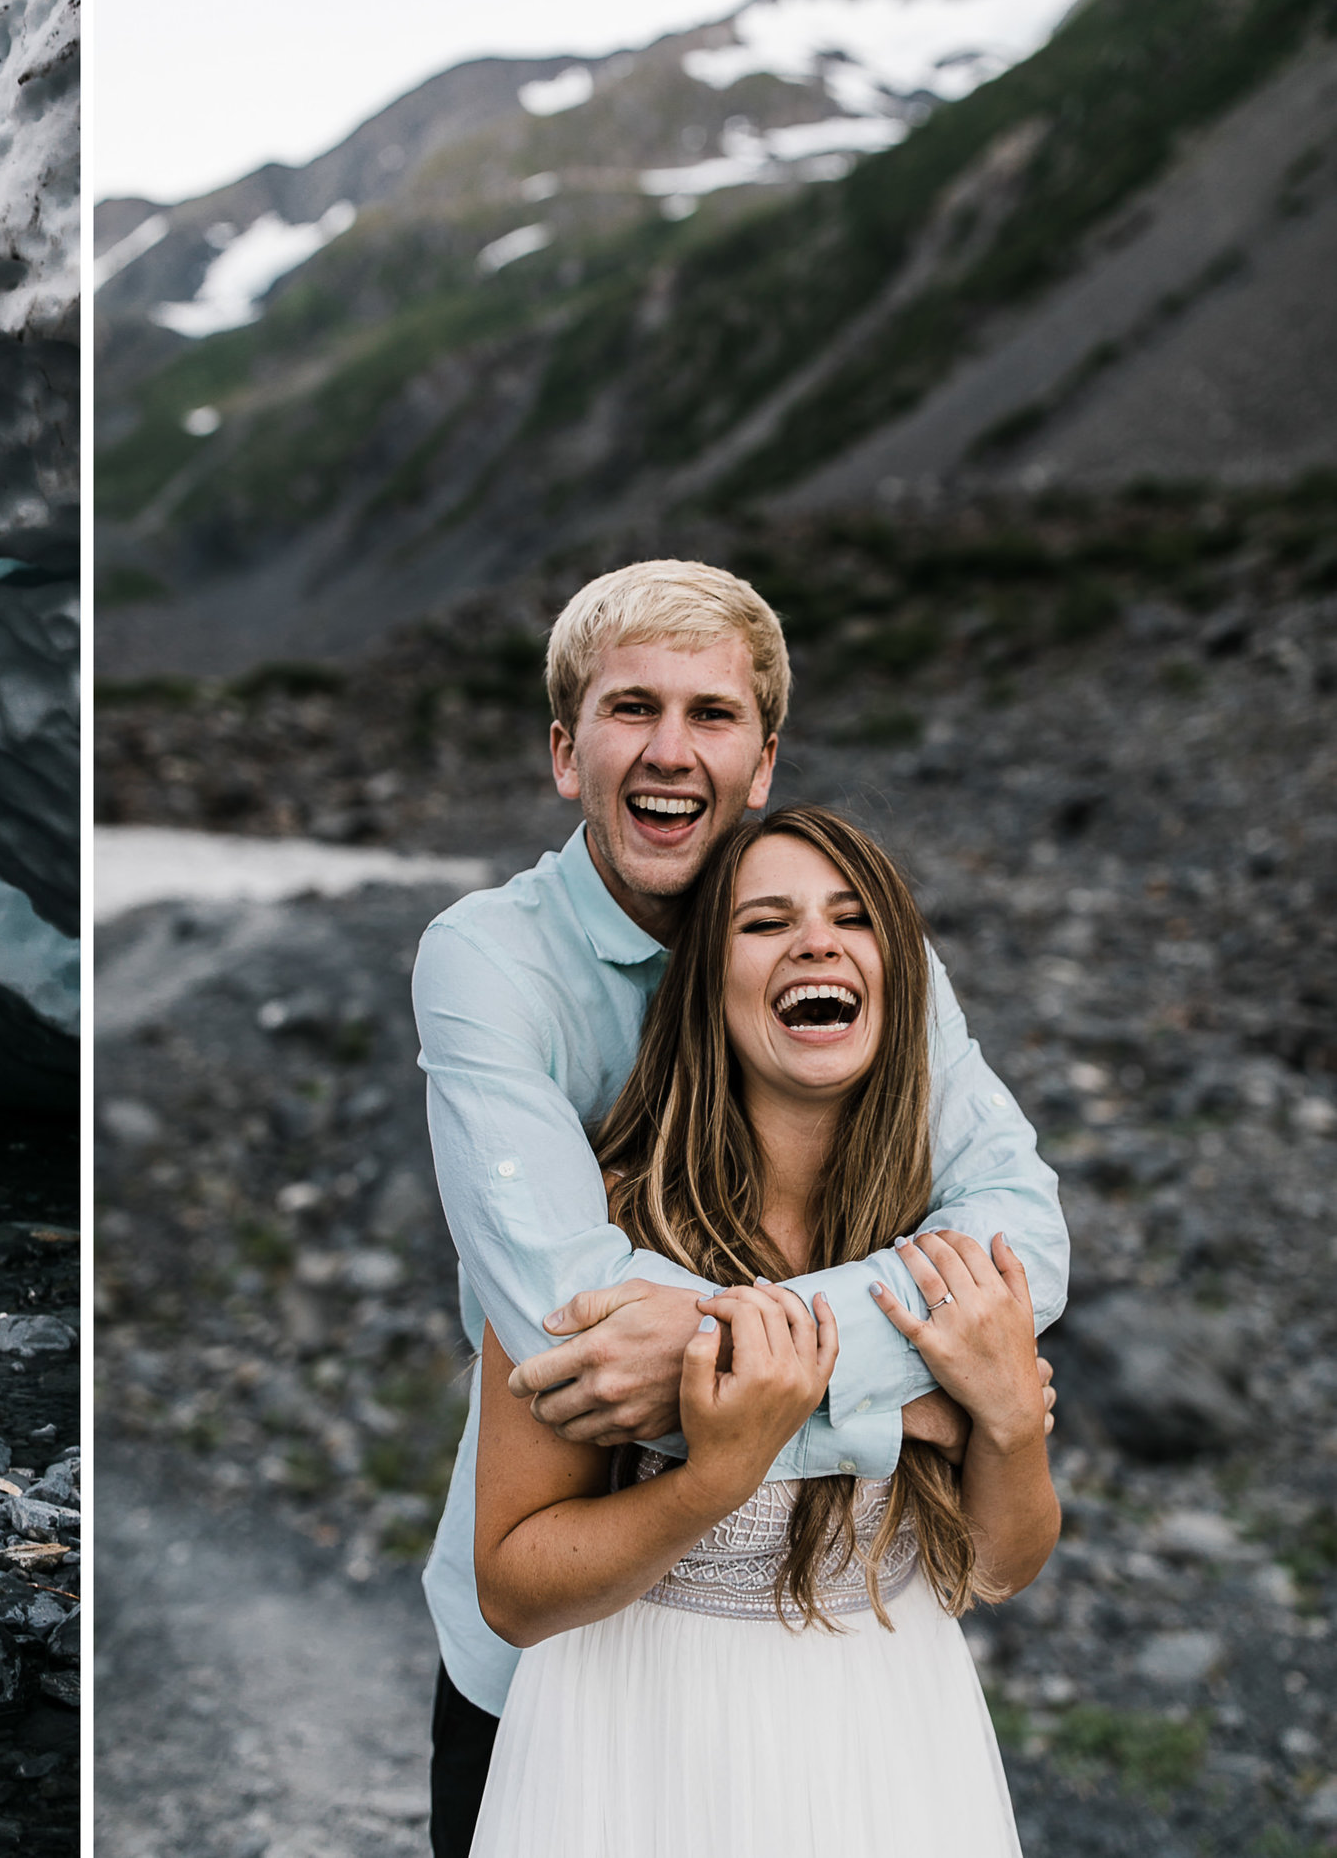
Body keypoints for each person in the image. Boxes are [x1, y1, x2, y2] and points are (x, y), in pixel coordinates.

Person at [411, 561, 1068, 1856]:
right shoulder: (490, 960)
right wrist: (911, 1399)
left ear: (762, 760)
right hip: (583, 1681)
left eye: (711, 714)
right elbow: (571, 1331)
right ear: (565, 750)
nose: (670, 747)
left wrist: (758, 1369)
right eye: (630, 708)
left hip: (874, 1707)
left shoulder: (862, 944)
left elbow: (1026, 1240)